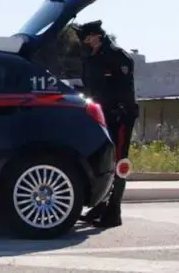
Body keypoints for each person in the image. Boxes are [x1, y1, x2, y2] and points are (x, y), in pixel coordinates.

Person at [73, 20, 139, 228]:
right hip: (102, 116)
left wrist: (117, 109)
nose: (84, 42)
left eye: (86, 38)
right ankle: (101, 206)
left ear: (97, 36)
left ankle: (114, 210)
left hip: (120, 116)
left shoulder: (117, 56)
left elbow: (122, 89)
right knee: (103, 161)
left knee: (119, 162)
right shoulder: (93, 58)